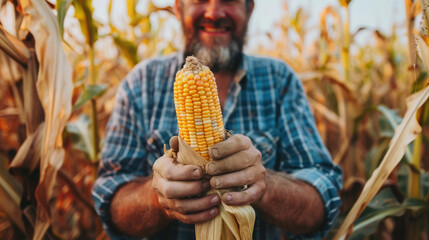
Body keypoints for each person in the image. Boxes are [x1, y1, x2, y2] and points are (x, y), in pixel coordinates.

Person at [92, 0, 343, 239]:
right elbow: (110, 200)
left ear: (249, 8)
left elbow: (324, 200)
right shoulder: (141, 84)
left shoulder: (280, 81)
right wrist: (156, 198)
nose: (214, 12)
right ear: (178, 8)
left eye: (230, 0)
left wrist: (264, 185)